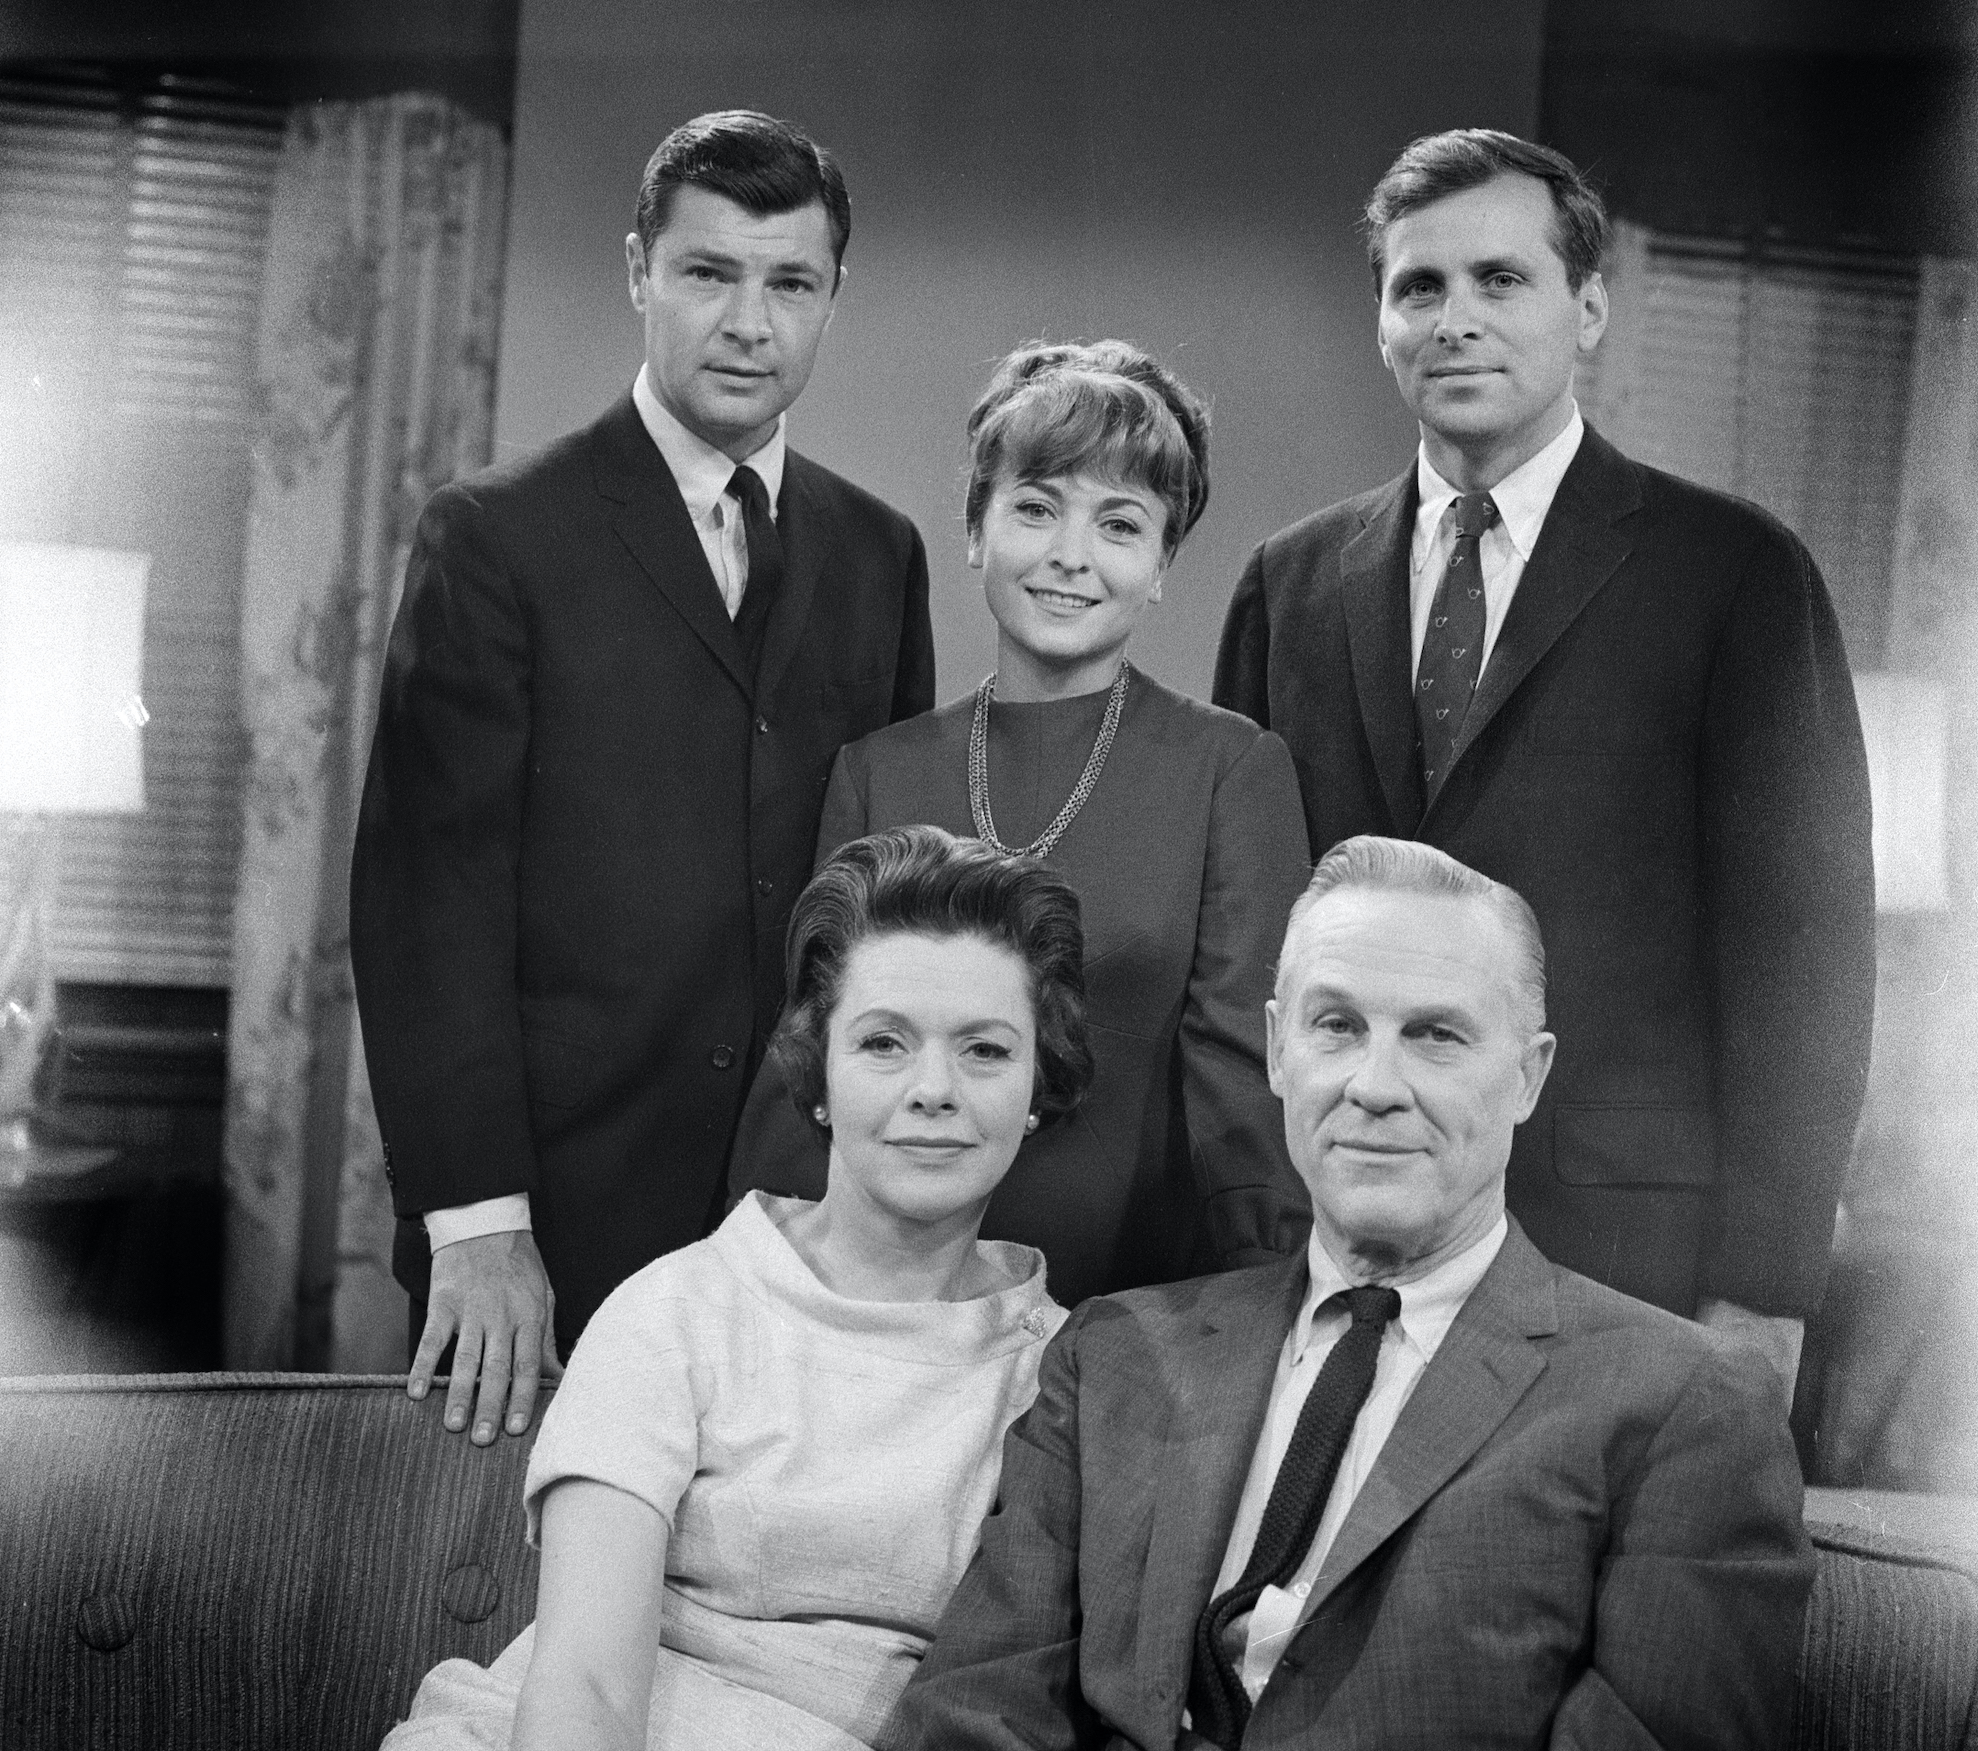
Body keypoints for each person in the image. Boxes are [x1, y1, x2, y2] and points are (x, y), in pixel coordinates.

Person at [893, 836, 1814, 1750]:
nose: (1375, 1087)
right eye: (1336, 1026)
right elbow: (972, 1715)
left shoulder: (1684, 1402)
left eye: (1436, 1035)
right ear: (1276, 1051)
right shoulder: (1113, 1352)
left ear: (1528, 1075)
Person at [1213, 128, 1875, 1391]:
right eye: (1419, 287)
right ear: (1381, 324)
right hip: (1341, 1235)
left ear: (1587, 308)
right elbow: (1246, 937)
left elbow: (1807, 957)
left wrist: (1766, 1288)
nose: (1454, 318)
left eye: (1499, 280)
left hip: (1633, 1254)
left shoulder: (1734, 574)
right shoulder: (1286, 583)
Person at [352, 110, 935, 1448]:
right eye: (707, 272)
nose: (748, 320)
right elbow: (422, 906)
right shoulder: (496, 537)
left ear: (833, 299)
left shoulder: (878, 551)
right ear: (638, 272)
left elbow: (885, 913)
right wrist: (480, 1225)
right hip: (547, 1229)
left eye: (790, 282)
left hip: (798, 1227)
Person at [382, 827, 1082, 1751]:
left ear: (1039, 1085)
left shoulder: (1067, 1373)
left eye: (986, 1051)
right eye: (883, 1042)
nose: (934, 1090)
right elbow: (586, 1684)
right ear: (818, 1073)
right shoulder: (678, 1311)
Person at [730, 342, 1311, 1305]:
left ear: (1163, 563)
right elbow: (813, 1070)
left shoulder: (1231, 769)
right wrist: (770, 1290)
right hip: (889, 1296)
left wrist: (1261, 1296)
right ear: (975, 530)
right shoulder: (878, 769)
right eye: (1036, 508)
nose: (1070, 556)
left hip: (1134, 1303)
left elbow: (1245, 1078)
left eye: (1120, 524)